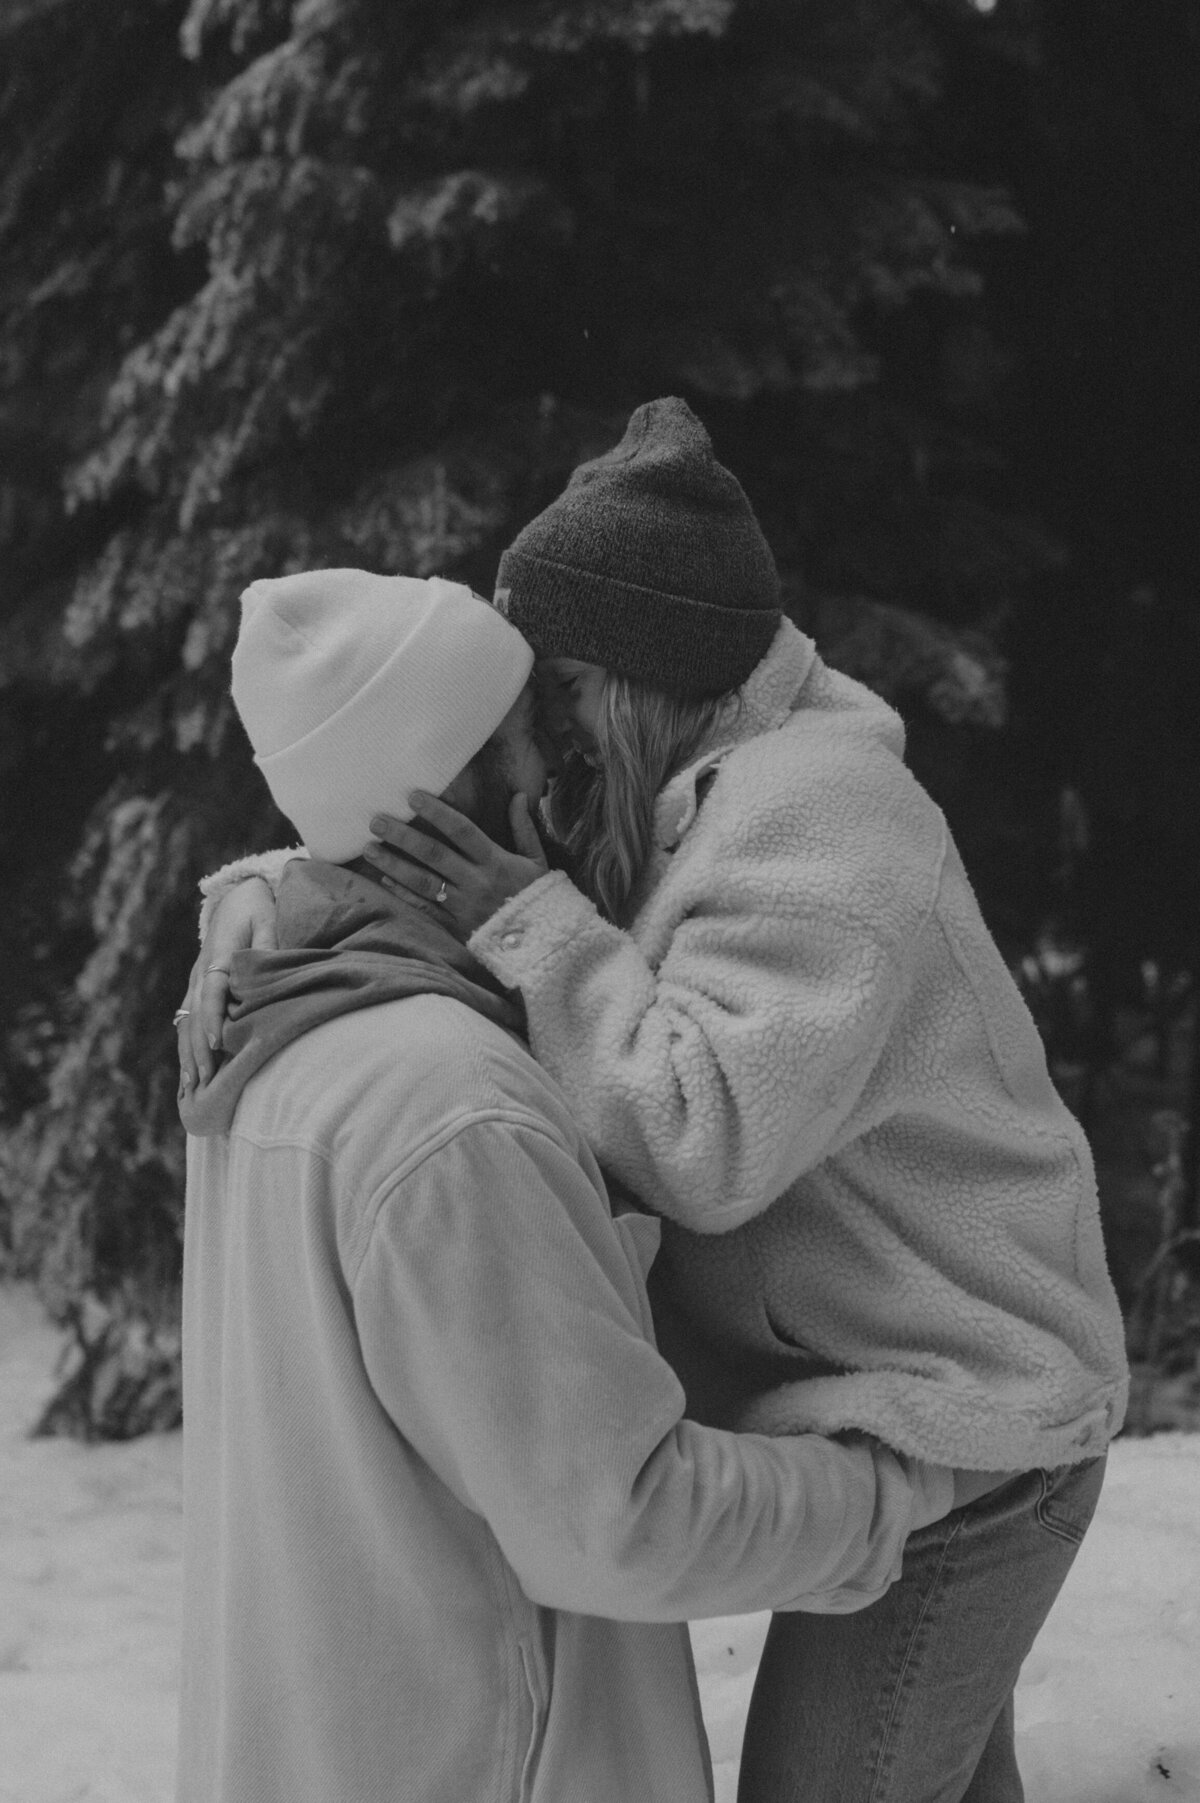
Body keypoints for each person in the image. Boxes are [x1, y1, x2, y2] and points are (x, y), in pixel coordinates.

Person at [186, 402, 1129, 1803]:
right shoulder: (696, 804)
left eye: (559, 688)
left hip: (971, 1436)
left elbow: (703, 1139)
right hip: (875, 1421)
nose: (550, 737)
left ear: (635, 674)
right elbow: (471, 892)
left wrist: (534, 926)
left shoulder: (826, 827)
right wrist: (294, 896)